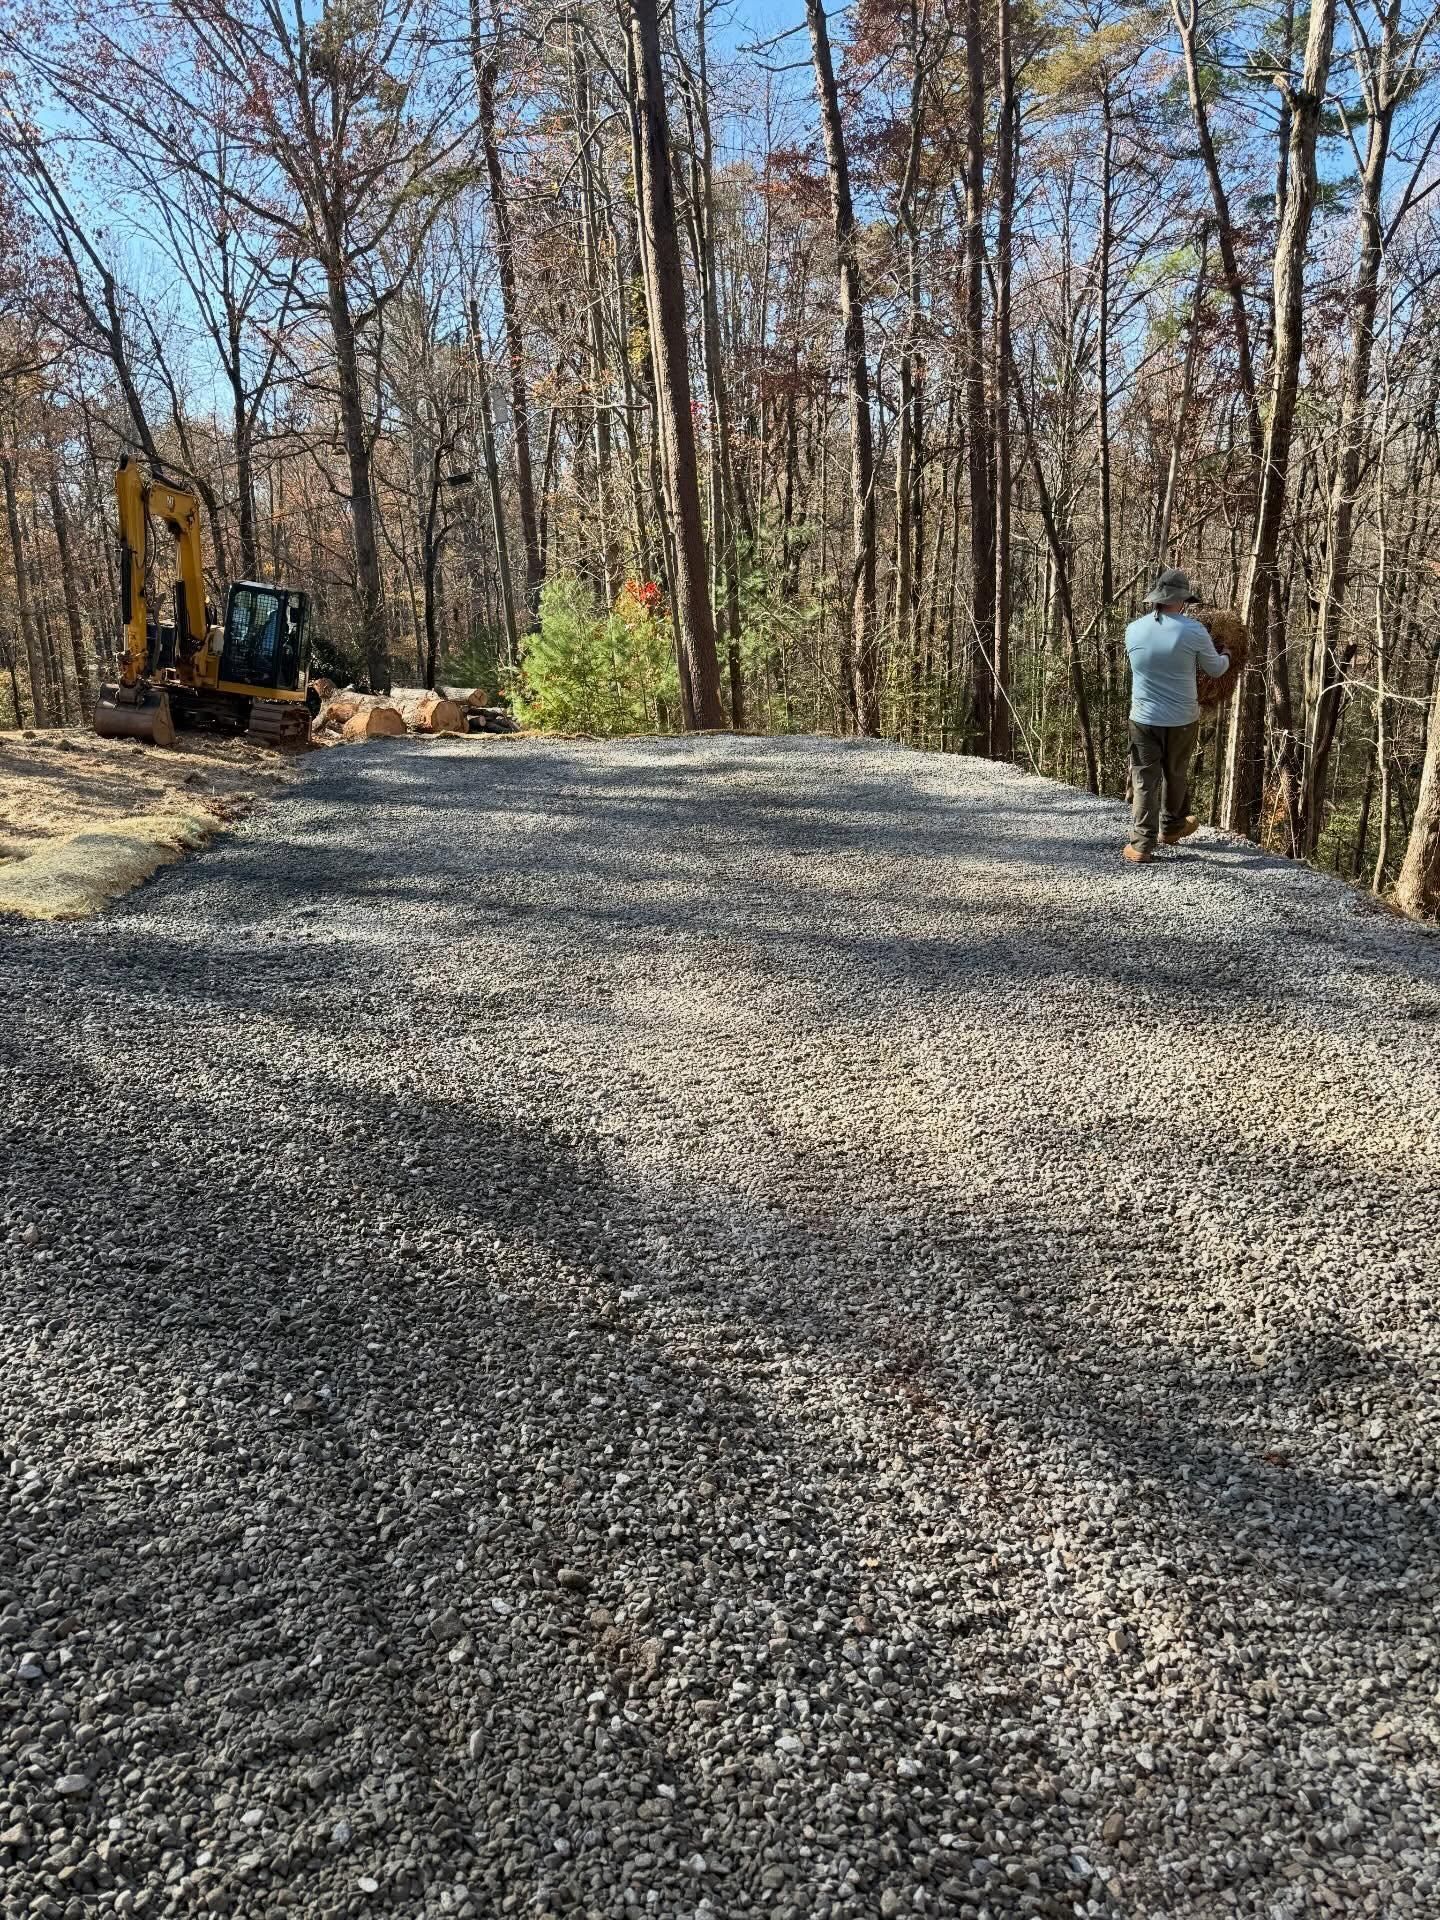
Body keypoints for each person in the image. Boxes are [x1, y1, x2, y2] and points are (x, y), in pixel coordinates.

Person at [1122, 568, 1230, 864]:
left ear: (1156, 598)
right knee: (1176, 772)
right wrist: (1228, 654)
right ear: (1182, 600)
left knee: (1145, 778)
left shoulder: (1133, 629)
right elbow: (1216, 669)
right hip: (1182, 717)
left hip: (1143, 717)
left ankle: (1141, 845)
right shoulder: (1193, 631)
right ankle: (1170, 829)